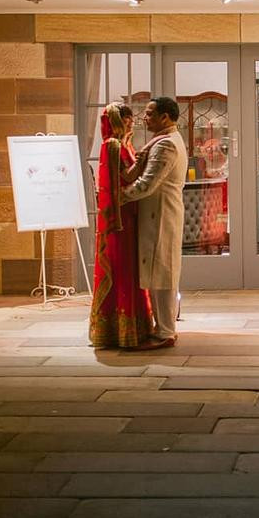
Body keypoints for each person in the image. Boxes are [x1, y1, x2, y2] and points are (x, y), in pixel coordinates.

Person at [122, 96, 188, 350]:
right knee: (161, 272)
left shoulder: (166, 145)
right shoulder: (165, 140)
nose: (144, 118)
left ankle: (166, 332)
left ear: (165, 117)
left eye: (150, 114)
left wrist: (120, 196)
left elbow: (149, 183)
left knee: (163, 274)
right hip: (158, 212)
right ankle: (163, 327)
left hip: (161, 214)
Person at [88, 103, 156, 348]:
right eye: (127, 119)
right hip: (121, 217)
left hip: (127, 213)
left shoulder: (120, 143)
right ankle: (123, 330)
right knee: (123, 269)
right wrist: (146, 157)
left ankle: (131, 326)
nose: (132, 123)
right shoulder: (114, 145)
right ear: (119, 120)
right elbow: (127, 176)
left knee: (129, 267)